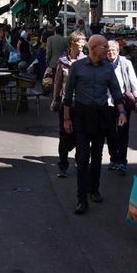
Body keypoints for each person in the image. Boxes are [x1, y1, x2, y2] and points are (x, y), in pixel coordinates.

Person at [62, 35, 128, 215]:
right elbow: (68, 97)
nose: (107, 50)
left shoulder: (107, 67)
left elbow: (116, 91)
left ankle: (94, 189)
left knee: (98, 156)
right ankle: (81, 199)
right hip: (82, 115)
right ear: (93, 48)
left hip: (101, 115)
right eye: (104, 47)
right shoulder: (77, 67)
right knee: (83, 157)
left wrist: (122, 112)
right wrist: (67, 119)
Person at [51, 31, 87, 177]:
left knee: (81, 133)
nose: (82, 44)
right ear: (72, 43)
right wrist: (55, 100)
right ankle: (63, 165)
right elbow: (57, 82)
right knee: (64, 134)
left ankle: (80, 161)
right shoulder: (62, 61)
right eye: (79, 41)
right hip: (66, 102)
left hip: (82, 102)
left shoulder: (86, 60)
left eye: (83, 41)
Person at [107, 40, 137, 174]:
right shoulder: (102, 63)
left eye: (113, 50)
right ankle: (113, 158)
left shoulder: (125, 63)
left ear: (118, 50)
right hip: (107, 103)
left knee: (122, 132)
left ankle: (122, 161)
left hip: (123, 102)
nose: (110, 52)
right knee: (110, 133)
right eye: (108, 50)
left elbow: (133, 80)